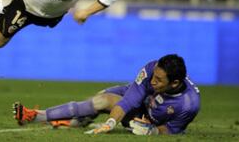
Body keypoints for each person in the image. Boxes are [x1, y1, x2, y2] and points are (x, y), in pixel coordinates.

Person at [13, 54, 200, 135]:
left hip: (146, 120)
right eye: (154, 77)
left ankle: (38, 116)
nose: (152, 82)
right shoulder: (152, 68)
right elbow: (129, 100)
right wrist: (110, 123)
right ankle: (71, 121)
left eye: (159, 81)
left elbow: (171, 131)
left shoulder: (188, 105)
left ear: (175, 83)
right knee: (99, 98)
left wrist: (151, 132)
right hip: (138, 99)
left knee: (102, 101)